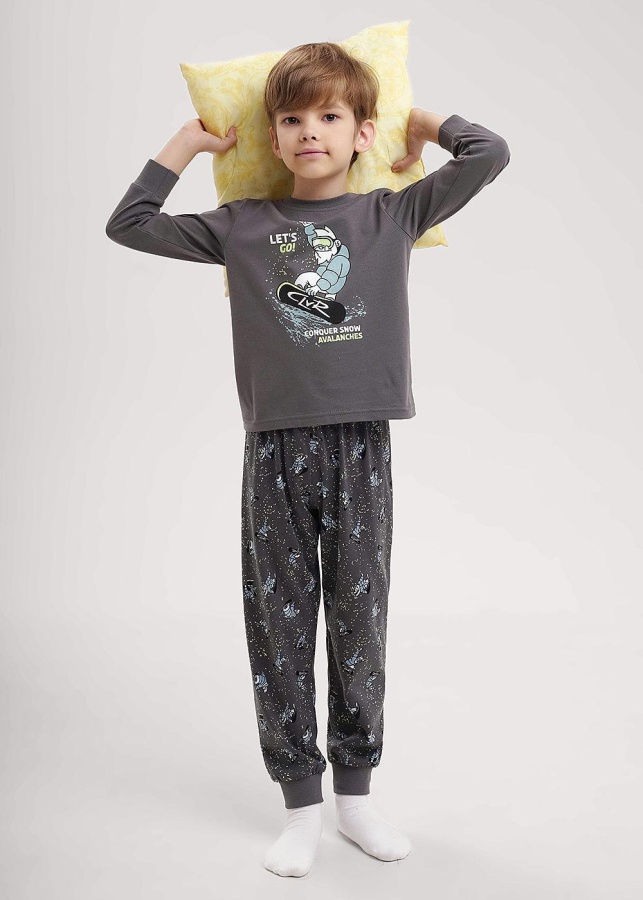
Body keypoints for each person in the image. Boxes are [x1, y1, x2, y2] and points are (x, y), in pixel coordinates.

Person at [105, 41, 510, 878]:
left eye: (328, 116)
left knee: (359, 624)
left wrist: (414, 123)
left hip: (360, 445)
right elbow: (129, 224)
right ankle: (299, 806)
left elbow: (488, 152)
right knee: (279, 626)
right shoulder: (242, 225)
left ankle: (355, 799)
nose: (308, 132)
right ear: (274, 136)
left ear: (359, 132)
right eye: (290, 119)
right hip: (275, 451)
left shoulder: (390, 214)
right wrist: (187, 144)